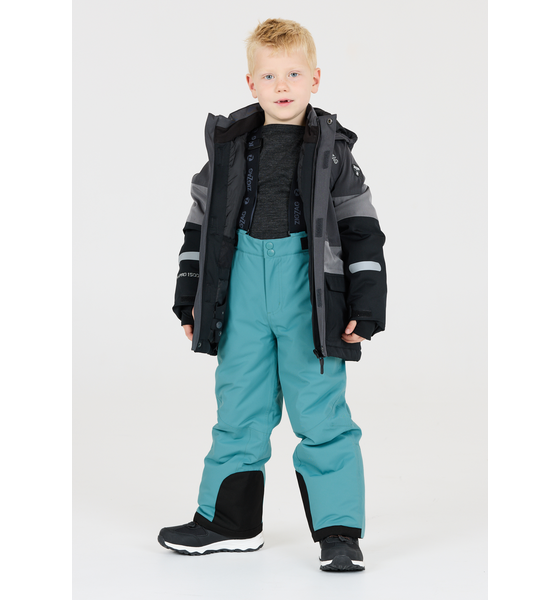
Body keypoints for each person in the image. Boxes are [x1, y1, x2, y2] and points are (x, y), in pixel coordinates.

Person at [158, 18, 387, 572]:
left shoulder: (335, 151)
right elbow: (199, 224)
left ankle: (339, 532)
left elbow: (362, 229)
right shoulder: (228, 145)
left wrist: (366, 303)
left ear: (315, 79)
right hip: (241, 289)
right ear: (250, 83)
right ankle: (230, 523)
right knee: (238, 404)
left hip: (310, 293)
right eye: (269, 76)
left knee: (321, 410)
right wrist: (190, 294)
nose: (281, 85)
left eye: (293, 74)